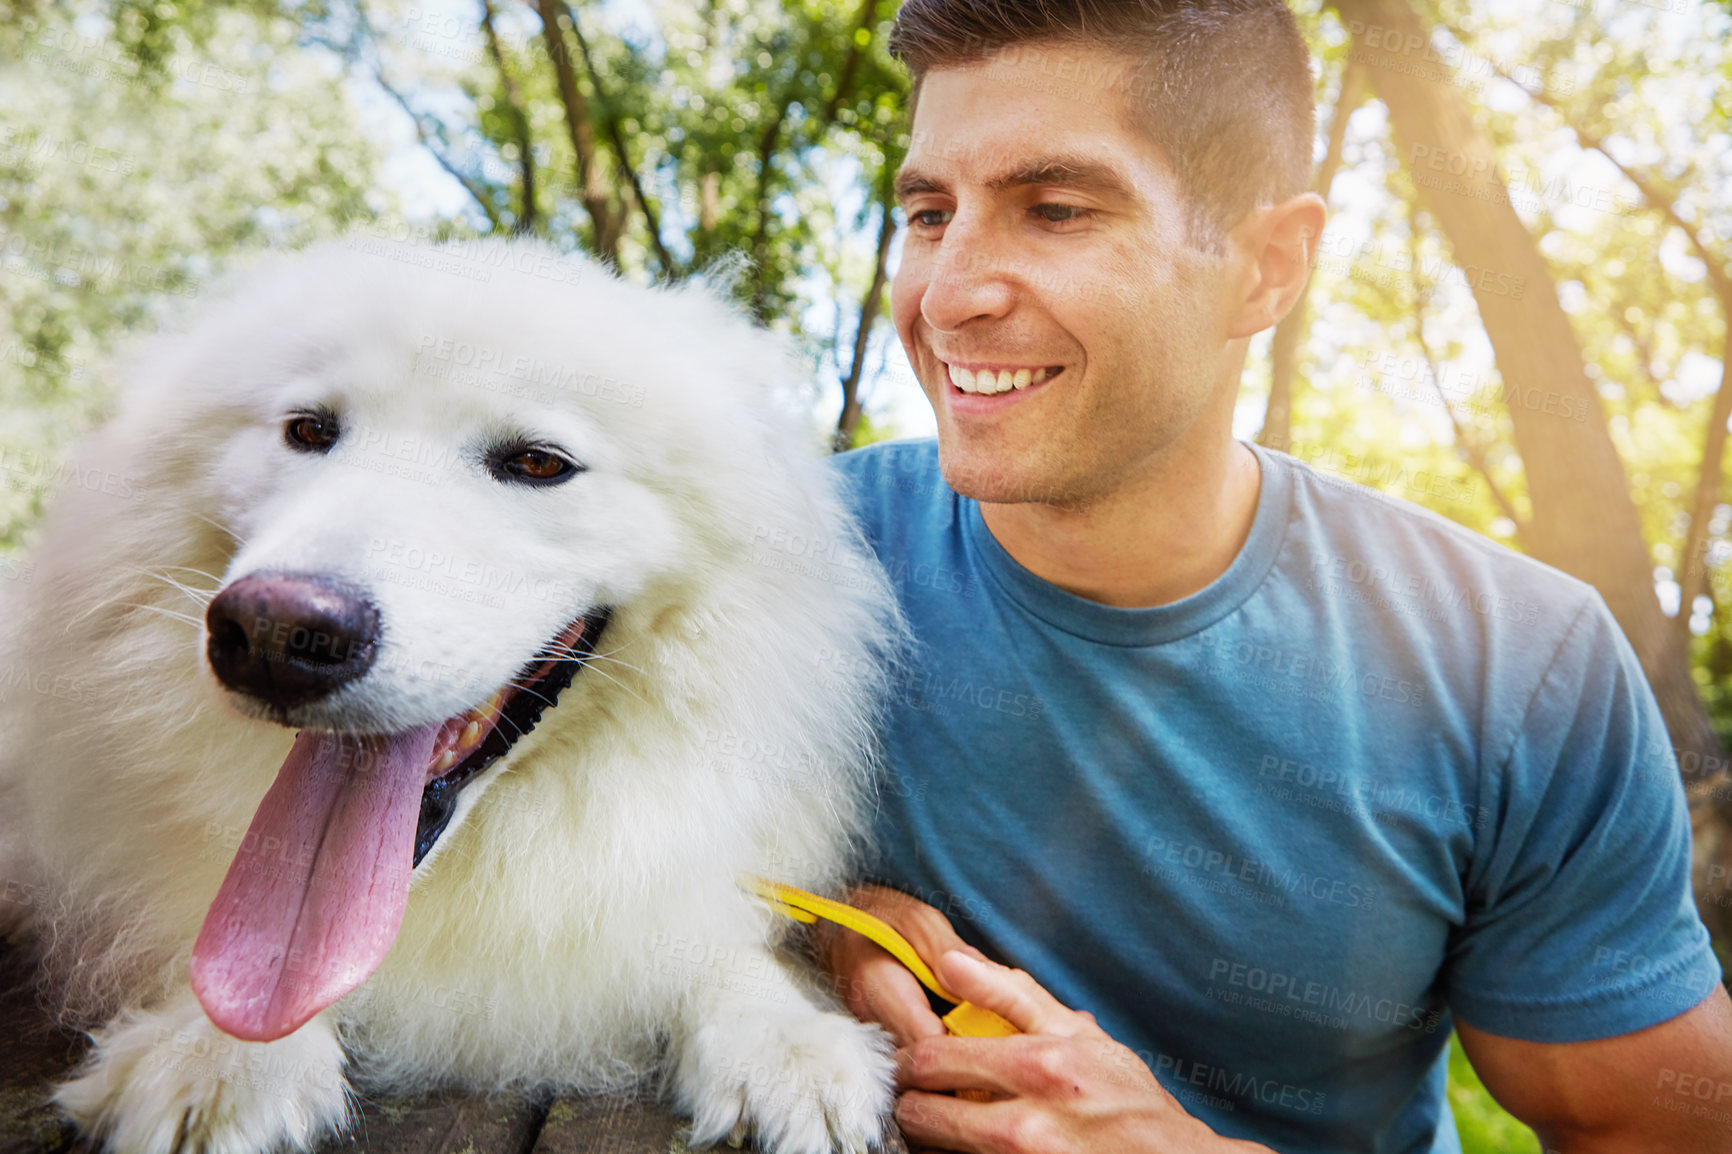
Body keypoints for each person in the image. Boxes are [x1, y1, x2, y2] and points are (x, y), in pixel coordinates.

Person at [817, 1, 1732, 1151]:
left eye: (1053, 210)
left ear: (1266, 265)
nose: (949, 294)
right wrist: (804, 921)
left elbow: (1663, 1129)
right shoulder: (791, 552)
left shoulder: (1515, 666)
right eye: (928, 211)